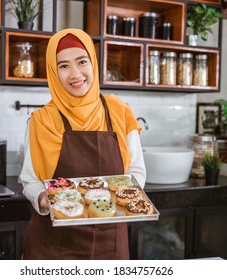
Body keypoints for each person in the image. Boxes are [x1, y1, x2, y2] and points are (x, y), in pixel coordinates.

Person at [20, 28, 146, 260]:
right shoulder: (41, 120)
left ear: (93, 63)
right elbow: (29, 180)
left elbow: (136, 171)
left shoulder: (119, 111)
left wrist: (123, 197)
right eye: (63, 66)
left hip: (110, 243)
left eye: (82, 61)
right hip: (53, 245)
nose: (75, 73)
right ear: (53, 72)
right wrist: (41, 198)